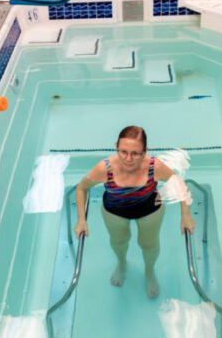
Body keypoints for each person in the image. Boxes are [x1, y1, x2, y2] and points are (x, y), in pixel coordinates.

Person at [74, 125, 195, 298]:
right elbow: (81, 188)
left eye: (136, 153)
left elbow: (179, 184)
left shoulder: (155, 167)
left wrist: (185, 215)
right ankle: (122, 264)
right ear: (116, 147)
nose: (129, 158)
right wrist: (81, 220)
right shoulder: (105, 168)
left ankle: (149, 271)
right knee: (119, 241)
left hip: (149, 209)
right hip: (115, 210)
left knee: (149, 244)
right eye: (123, 151)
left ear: (145, 151)